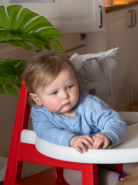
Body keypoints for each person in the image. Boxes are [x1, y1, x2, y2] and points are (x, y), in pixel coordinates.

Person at [23, 53, 129, 184]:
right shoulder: (41, 113)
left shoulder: (90, 104)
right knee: (71, 175)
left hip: (104, 155)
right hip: (77, 162)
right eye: (54, 92)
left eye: (69, 86)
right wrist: (71, 139)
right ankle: (120, 181)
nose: (65, 96)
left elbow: (116, 122)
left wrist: (107, 136)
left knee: (135, 163)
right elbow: (44, 130)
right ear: (37, 99)